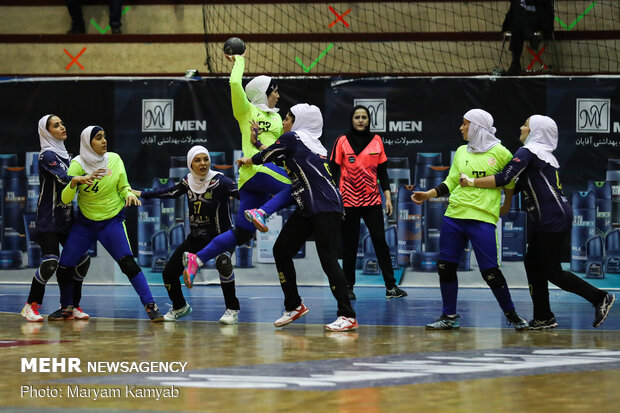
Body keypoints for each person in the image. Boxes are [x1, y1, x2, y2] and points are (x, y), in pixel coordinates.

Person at [460, 115, 616, 329]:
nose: (521, 128)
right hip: (551, 215)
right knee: (532, 264)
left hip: (551, 217)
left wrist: (471, 182)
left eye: (526, 125)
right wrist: (500, 207)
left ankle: (599, 297)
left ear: (536, 131)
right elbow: (515, 187)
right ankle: (543, 316)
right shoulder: (543, 155)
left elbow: (505, 178)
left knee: (552, 271)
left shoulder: (529, 151)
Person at [232, 103, 358, 331]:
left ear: (298, 122)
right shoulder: (312, 145)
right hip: (308, 207)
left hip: (325, 207)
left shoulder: (293, 138)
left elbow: (267, 156)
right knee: (281, 250)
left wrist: (253, 155)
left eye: (288, 118)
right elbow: (277, 157)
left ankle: (347, 315)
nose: (285, 122)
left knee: (328, 260)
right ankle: (294, 306)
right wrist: (257, 143)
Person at [181, 51, 292, 288]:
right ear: (264, 92)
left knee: (242, 233)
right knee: (297, 187)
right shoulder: (246, 111)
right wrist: (238, 59)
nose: (278, 95)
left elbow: (280, 149)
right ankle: (262, 213)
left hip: (255, 178)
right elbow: (234, 82)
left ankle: (196, 259)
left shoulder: (277, 118)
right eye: (275, 91)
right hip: (257, 171)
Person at [412, 109, 528, 331]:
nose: (461, 128)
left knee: (490, 271)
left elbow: (509, 182)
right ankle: (449, 317)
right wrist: (429, 194)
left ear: (476, 126)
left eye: (465, 124)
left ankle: (512, 315)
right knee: (446, 267)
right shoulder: (461, 151)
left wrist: (506, 204)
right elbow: (451, 181)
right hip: (454, 216)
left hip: (482, 219)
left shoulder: (501, 152)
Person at [56, 125, 164, 322]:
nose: (104, 141)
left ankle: (151, 306)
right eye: (98, 138)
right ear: (88, 143)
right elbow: (65, 199)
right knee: (64, 266)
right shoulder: (77, 165)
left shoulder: (114, 159)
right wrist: (74, 182)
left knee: (129, 265)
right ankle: (66, 306)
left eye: (104, 136)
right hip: (86, 224)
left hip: (111, 222)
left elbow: (124, 187)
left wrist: (129, 195)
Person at [132, 145, 241, 324]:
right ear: (191, 164)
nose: (203, 163)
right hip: (197, 238)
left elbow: (244, 197)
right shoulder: (187, 181)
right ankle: (180, 306)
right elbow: (170, 192)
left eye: (205, 159)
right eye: (197, 160)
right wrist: (144, 193)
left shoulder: (223, 182)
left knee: (223, 262)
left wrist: (263, 208)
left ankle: (232, 309)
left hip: (222, 237)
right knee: (168, 273)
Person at [20, 115, 94, 322]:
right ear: (46, 132)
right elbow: (63, 176)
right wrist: (81, 178)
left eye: (62, 123)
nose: (62, 127)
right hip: (48, 219)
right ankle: (30, 305)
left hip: (67, 219)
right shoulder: (46, 155)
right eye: (56, 125)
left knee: (82, 260)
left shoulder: (68, 155)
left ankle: (71, 306)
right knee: (50, 262)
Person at [329, 104, 407, 300]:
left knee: (380, 242)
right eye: (357, 117)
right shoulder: (342, 141)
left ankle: (391, 287)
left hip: (372, 200)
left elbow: (382, 172)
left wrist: (387, 197)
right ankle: (348, 287)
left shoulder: (377, 140)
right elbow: (333, 171)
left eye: (364, 117)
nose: (361, 120)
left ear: (369, 120)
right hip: (348, 201)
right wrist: (334, 200)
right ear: (352, 120)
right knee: (350, 245)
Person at [501, 0, 554, 75]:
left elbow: (544, 6)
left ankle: (515, 64)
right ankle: (531, 38)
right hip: (520, 17)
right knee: (517, 19)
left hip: (537, 16)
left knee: (517, 25)